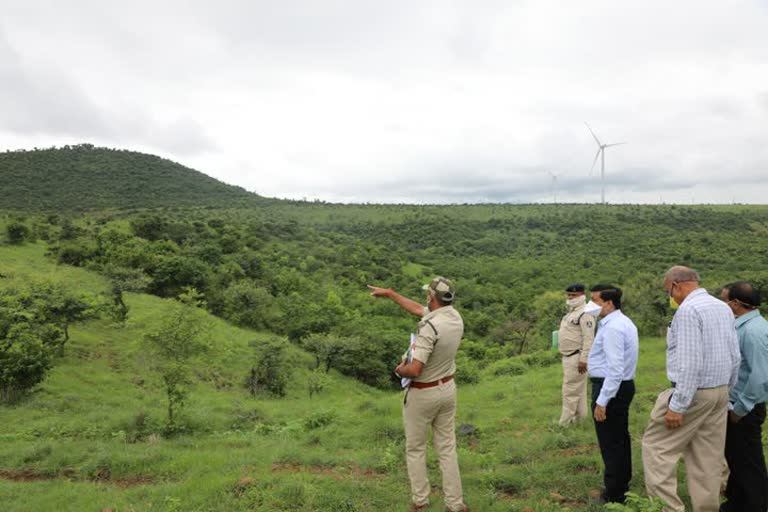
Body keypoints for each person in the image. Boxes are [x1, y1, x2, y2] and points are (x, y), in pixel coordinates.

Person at [641, 266, 740, 512]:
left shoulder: (687, 311)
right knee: (708, 457)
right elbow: (735, 356)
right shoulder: (722, 308)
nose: (670, 298)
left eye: (669, 292)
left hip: (694, 393)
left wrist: (678, 405)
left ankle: (668, 508)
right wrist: (728, 393)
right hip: (720, 391)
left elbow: (689, 361)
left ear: (677, 285)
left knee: (657, 449)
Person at [368, 277, 468, 512]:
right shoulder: (453, 317)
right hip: (447, 389)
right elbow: (418, 309)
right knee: (447, 447)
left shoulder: (429, 327)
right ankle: (455, 504)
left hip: (423, 394)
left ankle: (420, 501)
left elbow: (414, 370)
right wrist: (392, 294)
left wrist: (398, 368)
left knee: (416, 449)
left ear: (431, 296)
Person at [586, 284, 638, 504]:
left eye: (595, 301)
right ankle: (620, 484)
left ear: (608, 303)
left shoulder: (614, 327)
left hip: (611, 387)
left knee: (611, 441)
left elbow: (615, 368)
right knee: (619, 439)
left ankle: (614, 494)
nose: (591, 305)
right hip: (619, 386)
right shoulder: (620, 322)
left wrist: (602, 401)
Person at [720, 282, 768, 512]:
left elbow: (760, 376)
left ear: (736, 304)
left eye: (725, 301)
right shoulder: (743, 326)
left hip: (745, 408)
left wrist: (740, 409)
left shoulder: (753, 331)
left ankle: (756, 505)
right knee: (737, 457)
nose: (723, 305)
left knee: (749, 460)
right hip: (737, 404)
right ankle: (737, 502)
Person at [558, 283, 596, 426]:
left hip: (577, 357)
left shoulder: (585, 313)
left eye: (574, 295)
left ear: (582, 295)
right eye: (568, 295)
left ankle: (564, 423)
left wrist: (584, 359)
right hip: (568, 356)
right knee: (579, 392)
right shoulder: (572, 312)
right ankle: (580, 420)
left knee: (570, 391)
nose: (570, 297)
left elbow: (589, 338)